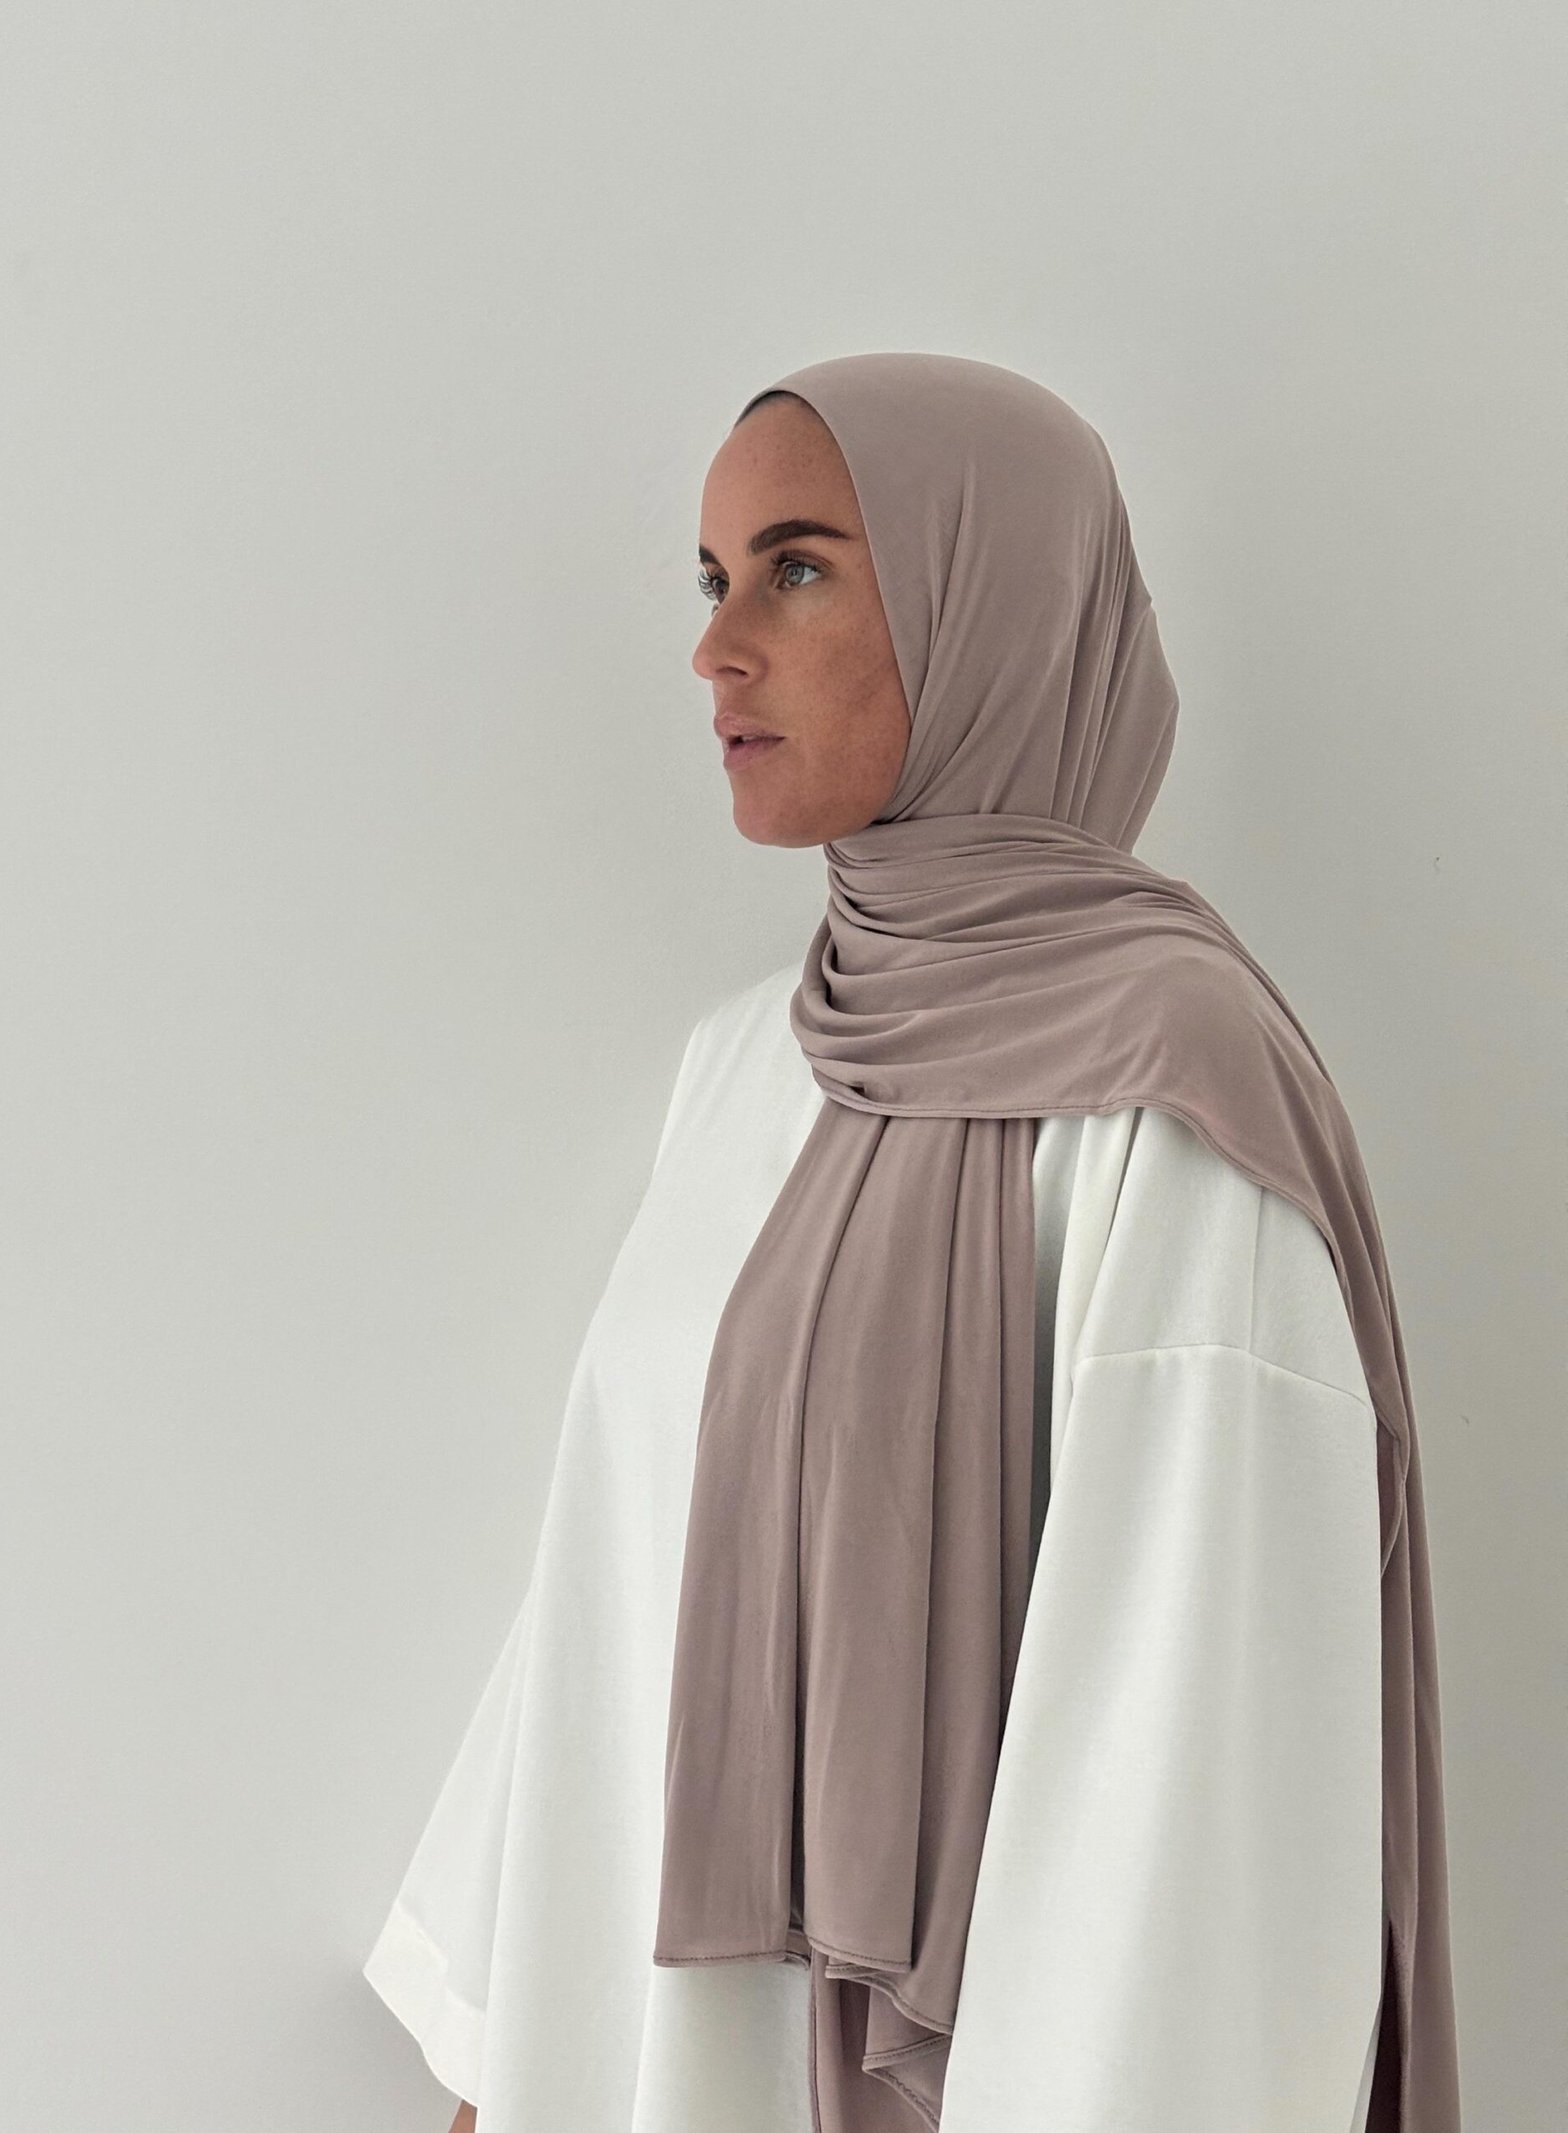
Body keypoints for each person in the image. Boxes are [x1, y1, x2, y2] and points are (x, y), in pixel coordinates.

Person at [362, 354, 1458, 2132]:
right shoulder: (745, 1065)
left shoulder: (1171, 1099)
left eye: (796, 569)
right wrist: (504, 2066)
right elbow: (613, 1596)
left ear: (991, 609)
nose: (718, 648)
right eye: (712, 579)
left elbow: (1186, 1799)